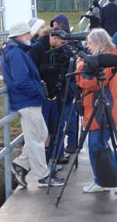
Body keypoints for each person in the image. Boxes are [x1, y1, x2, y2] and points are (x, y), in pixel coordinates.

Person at [0, 23, 64, 188]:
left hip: (28, 99)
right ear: (20, 35)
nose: (30, 36)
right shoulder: (15, 53)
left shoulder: (15, 51)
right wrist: (37, 90)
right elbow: (21, 80)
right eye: (27, 34)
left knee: (40, 135)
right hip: (27, 100)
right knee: (36, 139)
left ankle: (20, 165)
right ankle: (42, 176)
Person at [75, 28, 117, 193]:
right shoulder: (106, 57)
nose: (88, 47)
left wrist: (80, 65)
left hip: (102, 109)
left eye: (90, 43)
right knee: (97, 145)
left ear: (99, 43)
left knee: (96, 145)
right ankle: (107, 179)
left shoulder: (107, 60)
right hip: (98, 108)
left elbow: (92, 83)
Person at [28, 26, 69, 166]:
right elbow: (31, 68)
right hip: (42, 94)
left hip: (53, 93)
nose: (62, 46)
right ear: (54, 38)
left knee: (53, 128)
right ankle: (43, 162)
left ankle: (51, 158)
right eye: (61, 43)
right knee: (43, 130)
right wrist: (51, 68)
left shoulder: (57, 49)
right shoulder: (39, 48)